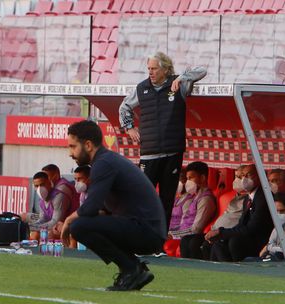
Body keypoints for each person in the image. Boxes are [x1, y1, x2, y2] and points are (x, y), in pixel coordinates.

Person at [61, 120, 166, 291]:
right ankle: (133, 268)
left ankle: (131, 269)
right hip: (146, 229)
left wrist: (68, 221)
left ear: (87, 145)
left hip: (147, 231)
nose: (70, 153)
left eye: (73, 146)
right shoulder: (106, 160)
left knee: (80, 226)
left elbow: (90, 208)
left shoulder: (104, 163)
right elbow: (102, 209)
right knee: (84, 223)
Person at [119, 51, 207, 228]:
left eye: (154, 69)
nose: (150, 72)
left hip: (172, 152)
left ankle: (160, 240)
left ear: (165, 69)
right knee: (143, 195)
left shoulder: (178, 84)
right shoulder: (142, 88)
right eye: (148, 69)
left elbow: (202, 70)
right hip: (149, 153)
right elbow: (124, 107)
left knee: (167, 198)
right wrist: (129, 128)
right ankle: (139, 234)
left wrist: (182, 77)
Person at [204, 164, 274, 262]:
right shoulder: (248, 198)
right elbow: (241, 224)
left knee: (235, 241)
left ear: (260, 176)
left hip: (261, 240)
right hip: (249, 236)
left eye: (248, 175)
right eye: (242, 176)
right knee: (218, 242)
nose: (244, 179)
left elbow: (252, 228)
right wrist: (221, 233)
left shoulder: (263, 197)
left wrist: (222, 233)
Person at [168, 161, 216, 259]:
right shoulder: (195, 197)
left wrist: (173, 235)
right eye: (187, 178)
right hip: (183, 234)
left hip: (190, 236)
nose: (188, 182)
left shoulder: (206, 199)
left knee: (187, 241)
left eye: (190, 178)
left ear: (202, 178)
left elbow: (196, 229)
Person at [200, 165, 247, 260]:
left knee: (216, 246)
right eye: (235, 177)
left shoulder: (252, 199)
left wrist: (221, 232)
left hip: (228, 233)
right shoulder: (233, 197)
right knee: (189, 241)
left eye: (239, 177)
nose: (236, 180)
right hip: (216, 231)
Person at [21, 171, 72, 240]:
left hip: (65, 226)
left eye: (42, 185)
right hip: (53, 225)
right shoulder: (42, 199)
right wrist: (32, 226)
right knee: (23, 218)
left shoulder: (58, 196)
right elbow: (43, 219)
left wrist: (32, 227)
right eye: (36, 186)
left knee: (47, 234)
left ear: (49, 183)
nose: (39, 188)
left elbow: (55, 223)